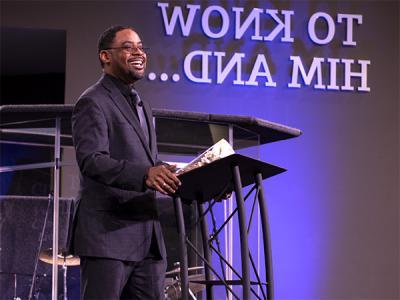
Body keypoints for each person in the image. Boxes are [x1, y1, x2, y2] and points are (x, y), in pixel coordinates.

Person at [71, 25, 181, 299]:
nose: (139, 52)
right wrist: (145, 174)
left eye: (141, 47)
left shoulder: (142, 105)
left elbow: (149, 163)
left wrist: (204, 179)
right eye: (128, 46)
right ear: (105, 57)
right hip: (108, 237)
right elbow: (92, 160)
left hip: (147, 240)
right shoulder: (92, 101)